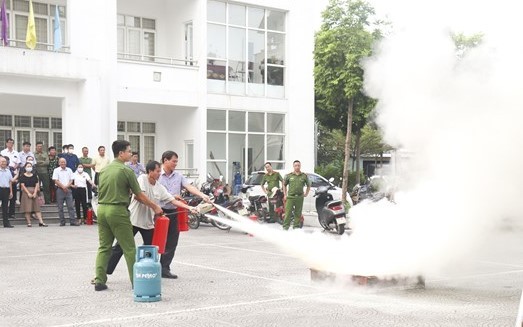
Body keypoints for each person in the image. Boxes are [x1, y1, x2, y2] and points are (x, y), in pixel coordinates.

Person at [106, 160, 199, 275]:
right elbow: (139, 197)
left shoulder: (159, 187)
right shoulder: (142, 179)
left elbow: (172, 200)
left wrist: (189, 208)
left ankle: (147, 272)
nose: (159, 173)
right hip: (133, 221)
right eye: (157, 171)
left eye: (160, 171)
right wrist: (155, 207)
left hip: (148, 223)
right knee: (120, 247)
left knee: (150, 249)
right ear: (150, 171)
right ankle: (105, 271)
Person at [93, 140, 163, 292]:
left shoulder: (104, 170)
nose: (131, 154)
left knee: (104, 246)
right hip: (117, 210)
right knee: (129, 248)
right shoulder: (126, 171)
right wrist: (155, 207)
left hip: (102, 209)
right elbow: (140, 195)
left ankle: (99, 280)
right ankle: (136, 282)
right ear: (121, 153)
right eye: (129, 151)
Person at [158, 150, 211, 279]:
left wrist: (202, 195)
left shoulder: (178, 176)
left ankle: (164, 268)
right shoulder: (157, 174)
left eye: (177, 161)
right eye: (174, 161)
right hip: (159, 212)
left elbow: (189, 187)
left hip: (174, 211)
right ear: (165, 160)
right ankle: (152, 267)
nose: (176, 164)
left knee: (172, 241)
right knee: (156, 241)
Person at [282, 160, 310, 230]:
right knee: (288, 213)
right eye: (295, 165)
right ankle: (285, 228)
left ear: (300, 166)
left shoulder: (304, 176)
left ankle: (296, 228)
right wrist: (285, 194)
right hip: (290, 197)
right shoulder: (289, 175)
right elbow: (284, 185)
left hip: (300, 197)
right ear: (293, 166)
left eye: (298, 165)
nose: (297, 167)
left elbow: (308, 185)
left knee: (298, 213)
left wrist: (306, 193)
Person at [19, 162, 47, 227]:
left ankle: (41, 222)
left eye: (30, 166)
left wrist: (35, 193)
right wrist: (28, 193)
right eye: (28, 166)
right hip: (26, 193)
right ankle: (29, 222)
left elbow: (37, 184)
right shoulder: (22, 176)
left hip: (34, 192)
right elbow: (22, 185)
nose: (29, 167)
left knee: (37, 208)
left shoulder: (34, 175)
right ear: (25, 168)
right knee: (27, 208)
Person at [52, 158, 78, 226]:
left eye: (64, 162)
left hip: (68, 189)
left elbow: (71, 180)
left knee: (71, 206)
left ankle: (72, 221)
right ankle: (62, 222)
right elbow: (56, 181)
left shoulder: (69, 170)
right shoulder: (56, 170)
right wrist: (63, 187)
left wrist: (66, 187)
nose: (63, 163)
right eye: (61, 162)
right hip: (60, 189)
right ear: (59, 163)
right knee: (60, 207)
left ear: (66, 163)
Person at [1, 138, 20, 217]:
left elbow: (18, 163)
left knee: (13, 195)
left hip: (13, 173)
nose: (10, 144)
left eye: (12, 143)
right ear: (6, 143)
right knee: (4, 195)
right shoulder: (3, 152)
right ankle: (4, 213)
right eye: (9, 142)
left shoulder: (16, 152)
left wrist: (14, 168)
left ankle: (11, 213)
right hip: (3, 172)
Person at [0, 156, 14, 228]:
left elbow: (10, 182)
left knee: (5, 207)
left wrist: (11, 192)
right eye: (2, 162)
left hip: (6, 190)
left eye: (5, 162)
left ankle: (6, 223)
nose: (3, 163)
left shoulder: (8, 171)